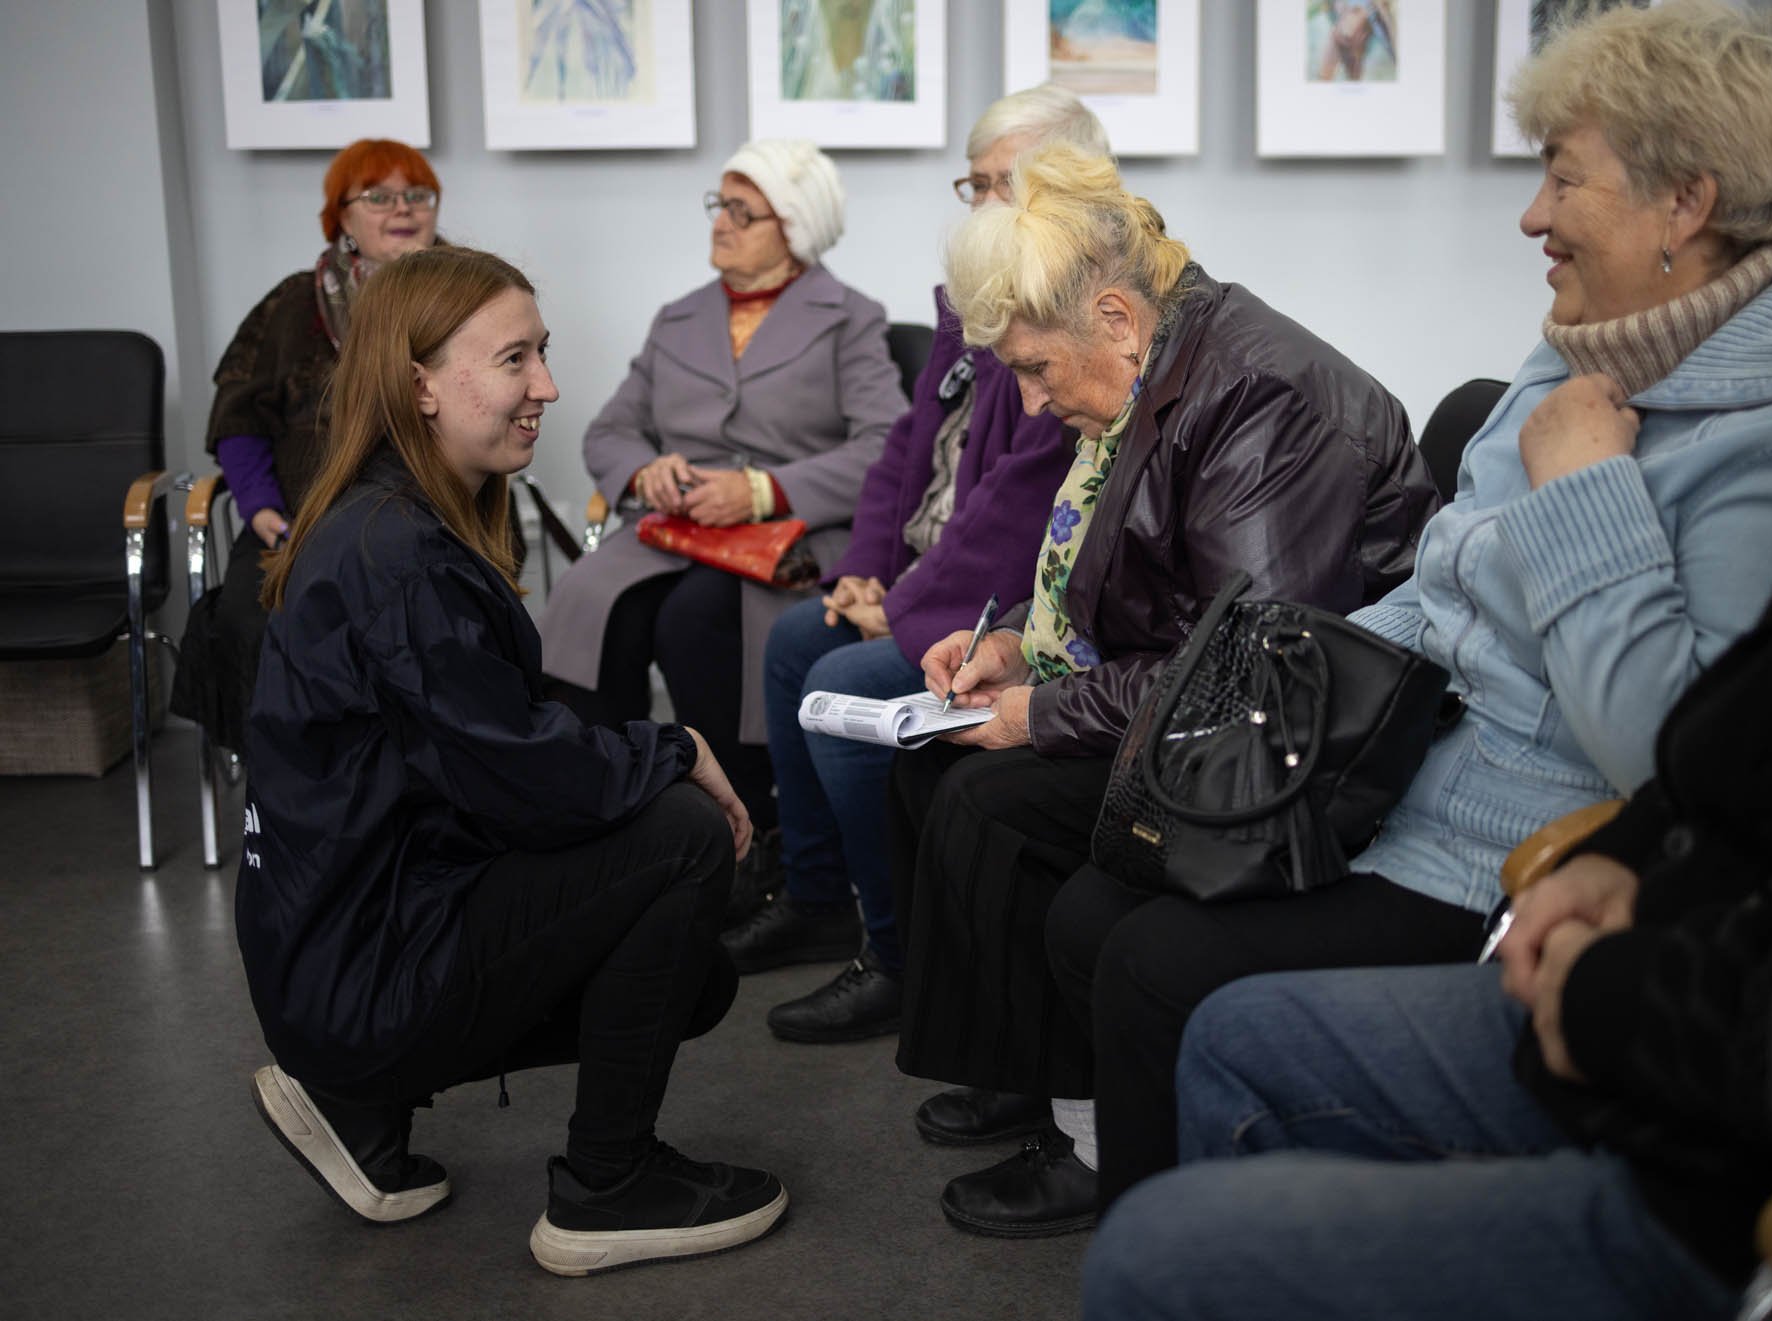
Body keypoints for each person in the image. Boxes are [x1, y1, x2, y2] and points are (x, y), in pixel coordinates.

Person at [1081, 0, 1772, 1316]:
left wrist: (1616, 954)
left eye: (1563, 173)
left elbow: (1672, 735)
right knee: (1135, 902)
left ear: (1684, 203)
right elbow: (1732, 749)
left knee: (1162, 1026)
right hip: (1520, 849)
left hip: (1586, 952)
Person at [889, 145, 1441, 1236]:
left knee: (997, 809)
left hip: (1304, 750)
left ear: (1115, 316)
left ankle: (1091, 1137)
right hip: (1236, 707)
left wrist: (1045, 710)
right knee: (954, 779)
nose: (1037, 405)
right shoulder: (1166, 366)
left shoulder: (1264, 396)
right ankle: (1050, 1090)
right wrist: (1016, 656)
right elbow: (1142, 597)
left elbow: (1249, 668)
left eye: (1039, 372)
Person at [236, 246, 786, 1277]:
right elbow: (526, 780)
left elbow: (486, 756)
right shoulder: (398, 559)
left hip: (327, 954)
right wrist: (678, 745)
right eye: (516, 358)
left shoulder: (383, 521)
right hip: (358, 975)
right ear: (421, 384)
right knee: (682, 838)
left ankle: (360, 1103)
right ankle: (607, 1185)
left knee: (693, 974)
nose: (548, 385)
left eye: (544, 354)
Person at [731, 87, 1106, 1045]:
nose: (980, 204)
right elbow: (909, 441)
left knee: (842, 676)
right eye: (973, 184)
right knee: (790, 646)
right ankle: (820, 894)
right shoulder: (973, 292)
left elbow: (1021, 504)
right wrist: (860, 568)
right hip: (922, 575)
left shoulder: (1076, 312)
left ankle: (897, 953)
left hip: (1000, 595)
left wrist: (898, 611)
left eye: (1000, 185)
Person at [539, 138, 907, 864]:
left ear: (796, 227)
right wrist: (646, 473)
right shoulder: (678, 317)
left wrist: (764, 488)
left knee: (696, 620)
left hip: (787, 533)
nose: (721, 223)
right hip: (674, 529)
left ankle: (747, 834)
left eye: (745, 211)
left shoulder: (851, 317)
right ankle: (606, 812)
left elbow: (887, 443)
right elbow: (611, 429)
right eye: (721, 204)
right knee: (589, 601)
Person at [170, 138, 444, 755]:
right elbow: (240, 418)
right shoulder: (292, 303)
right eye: (379, 196)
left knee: (420, 621)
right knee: (255, 619)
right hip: (297, 522)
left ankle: (417, 778)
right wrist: (261, 508)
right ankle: (284, 783)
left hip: (430, 518)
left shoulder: (470, 294)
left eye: (417, 195)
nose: (403, 208)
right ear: (341, 216)